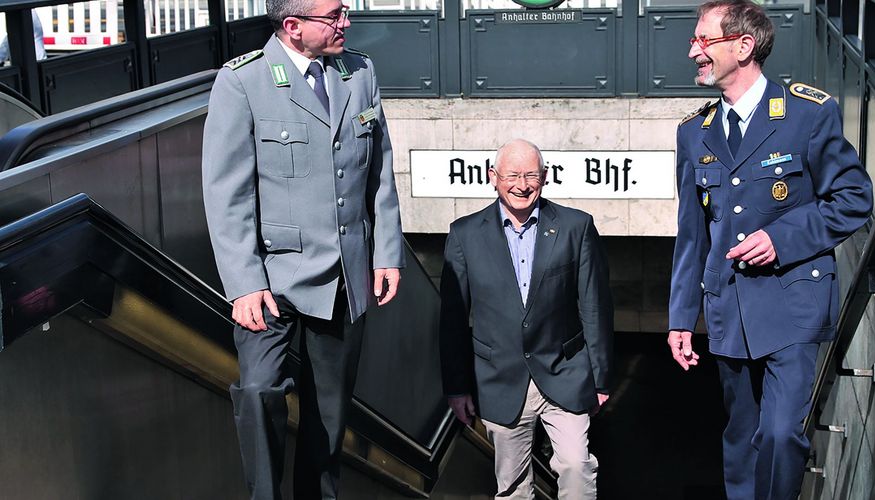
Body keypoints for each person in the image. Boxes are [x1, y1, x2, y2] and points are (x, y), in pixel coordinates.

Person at [667, 1, 873, 498]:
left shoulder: (807, 113)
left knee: (781, 433)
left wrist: (780, 238)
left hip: (793, 303)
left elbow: (854, 199)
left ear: (744, 46)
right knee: (741, 438)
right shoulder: (693, 133)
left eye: (703, 40)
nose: (693, 50)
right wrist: (680, 317)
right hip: (728, 310)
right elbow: (693, 233)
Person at [201, 0, 404, 498]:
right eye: (334, 16)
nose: (346, 23)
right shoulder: (242, 82)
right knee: (258, 392)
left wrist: (386, 253)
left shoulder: (360, 73)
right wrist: (244, 283)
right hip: (271, 277)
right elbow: (226, 193)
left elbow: (380, 171)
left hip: (342, 276)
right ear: (292, 27)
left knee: (328, 413)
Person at [439, 139, 613, 499]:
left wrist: (602, 375)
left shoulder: (575, 227)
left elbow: (595, 306)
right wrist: (457, 387)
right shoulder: (464, 235)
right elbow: (453, 321)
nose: (522, 184)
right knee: (513, 487)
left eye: (531, 175)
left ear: (545, 177)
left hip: (565, 372)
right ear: (493, 177)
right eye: (513, 175)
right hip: (498, 379)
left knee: (576, 467)